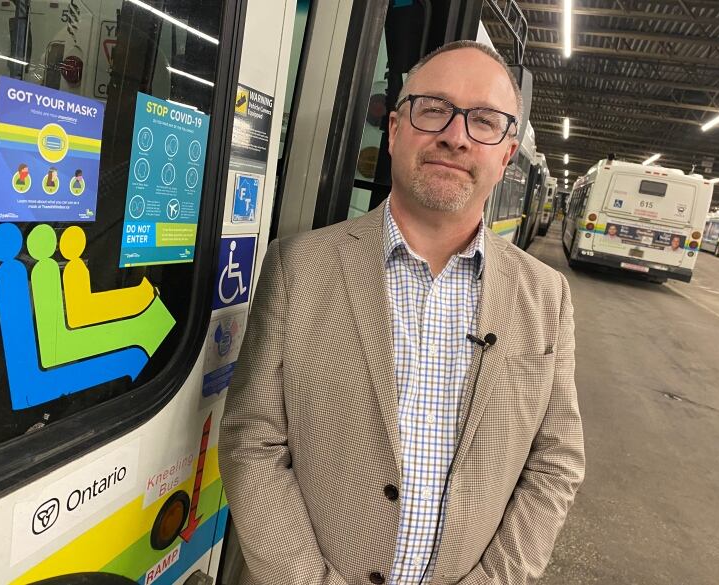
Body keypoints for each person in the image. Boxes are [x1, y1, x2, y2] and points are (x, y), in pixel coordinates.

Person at [219, 40, 584, 585]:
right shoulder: (299, 266)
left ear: (506, 155)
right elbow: (252, 440)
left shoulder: (546, 297)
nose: (455, 136)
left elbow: (556, 464)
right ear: (394, 130)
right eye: (432, 109)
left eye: (484, 120)